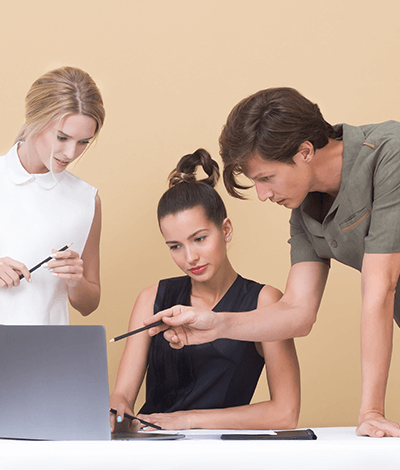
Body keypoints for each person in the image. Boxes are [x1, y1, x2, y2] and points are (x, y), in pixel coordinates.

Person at [147, 88, 400, 438]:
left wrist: (371, 411)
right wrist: (216, 325)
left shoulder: (390, 153)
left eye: (266, 178)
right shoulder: (303, 208)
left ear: (305, 152)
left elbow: (380, 289)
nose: (263, 195)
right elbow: (298, 312)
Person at [110, 148, 300, 432]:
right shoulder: (151, 299)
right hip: (151, 447)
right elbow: (122, 395)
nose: (190, 258)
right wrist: (117, 410)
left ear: (226, 230)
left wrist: (187, 420)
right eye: (175, 246)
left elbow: (285, 413)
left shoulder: (265, 302)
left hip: (219, 452)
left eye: (199, 239)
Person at [0, 66, 105, 324]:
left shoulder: (85, 200)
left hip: (43, 356)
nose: (70, 153)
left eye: (83, 142)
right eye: (62, 137)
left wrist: (76, 280)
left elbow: (89, 304)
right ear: (34, 119)